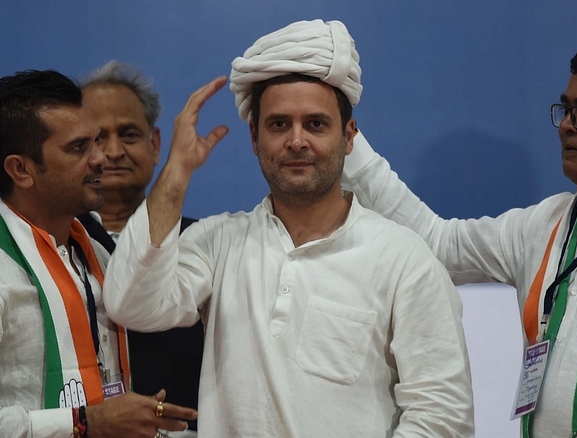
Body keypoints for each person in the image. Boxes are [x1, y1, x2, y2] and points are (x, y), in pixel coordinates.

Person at [104, 20, 474, 437]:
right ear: (254, 138)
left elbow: (442, 418)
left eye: (316, 124)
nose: (297, 141)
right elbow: (130, 303)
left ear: (349, 137)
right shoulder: (218, 242)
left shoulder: (405, 258)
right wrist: (177, 170)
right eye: (279, 124)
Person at [341, 40, 577, 437]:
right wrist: (344, 136)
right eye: (566, 110)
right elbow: (437, 242)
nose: (567, 125)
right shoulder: (543, 224)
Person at [0, 69, 196, 438]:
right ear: (21, 169)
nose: (103, 157)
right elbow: (96, 421)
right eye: (80, 147)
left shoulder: (98, 256)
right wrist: (88, 423)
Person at [75, 61, 203, 435]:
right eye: (97, 138)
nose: (112, 151)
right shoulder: (50, 245)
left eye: (128, 134)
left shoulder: (200, 243)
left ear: (156, 144)